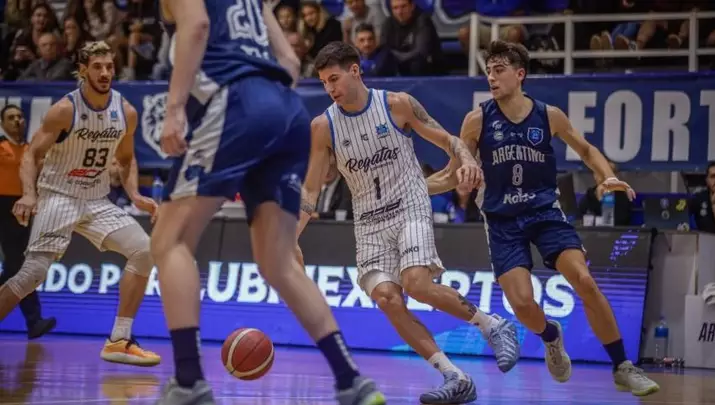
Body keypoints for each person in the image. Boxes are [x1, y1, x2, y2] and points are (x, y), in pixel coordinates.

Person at [150, 1, 385, 405]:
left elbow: (197, 25)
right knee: (278, 262)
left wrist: (174, 110)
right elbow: (290, 61)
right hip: (286, 110)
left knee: (169, 241)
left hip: (234, 101)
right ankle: (351, 381)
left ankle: (188, 380)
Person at [426, 40, 660, 396]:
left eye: (499, 70)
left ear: (520, 74)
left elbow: (586, 149)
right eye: (488, 71)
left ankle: (623, 366)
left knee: (584, 280)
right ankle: (551, 336)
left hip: (545, 212)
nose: (492, 77)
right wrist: (412, 188)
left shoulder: (549, 115)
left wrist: (606, 176)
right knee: (521, 303)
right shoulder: (477, 120)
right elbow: (450, 174)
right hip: (502, 221)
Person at [297, 41, 521, 405]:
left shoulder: (396, 104)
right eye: (323, 82)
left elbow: (448, 140)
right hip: (368, 222)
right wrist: (290, 236)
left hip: (408, 205)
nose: (329, 88)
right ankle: (455, 376)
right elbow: (310, 188)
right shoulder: (323, 126)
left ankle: (493, 325)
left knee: (416, 283)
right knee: (388, 298)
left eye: (334, 79)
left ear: (355, 71)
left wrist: (466, 159)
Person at [0, 41, 161, 367]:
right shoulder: (64, 110)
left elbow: (126, 159)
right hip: (58, 194)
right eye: (97, 67)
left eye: (109, 67)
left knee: (145, 250)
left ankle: (119, 339)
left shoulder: (126, 112)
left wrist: (135, 195)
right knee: (32, 274)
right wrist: (29, 194)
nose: (105, 73)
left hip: (96, 199)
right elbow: (31, 154)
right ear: (83, 70)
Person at [0, 104, 56, 340]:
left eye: (20, 116)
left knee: (16, 267)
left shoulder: (31, 150)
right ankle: (34, 321)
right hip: (3, 207)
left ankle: (34, 322)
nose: (17, 121)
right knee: (18, 266)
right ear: (2, 123)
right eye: (11, 117)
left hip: (26, 208)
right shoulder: (1, 146)